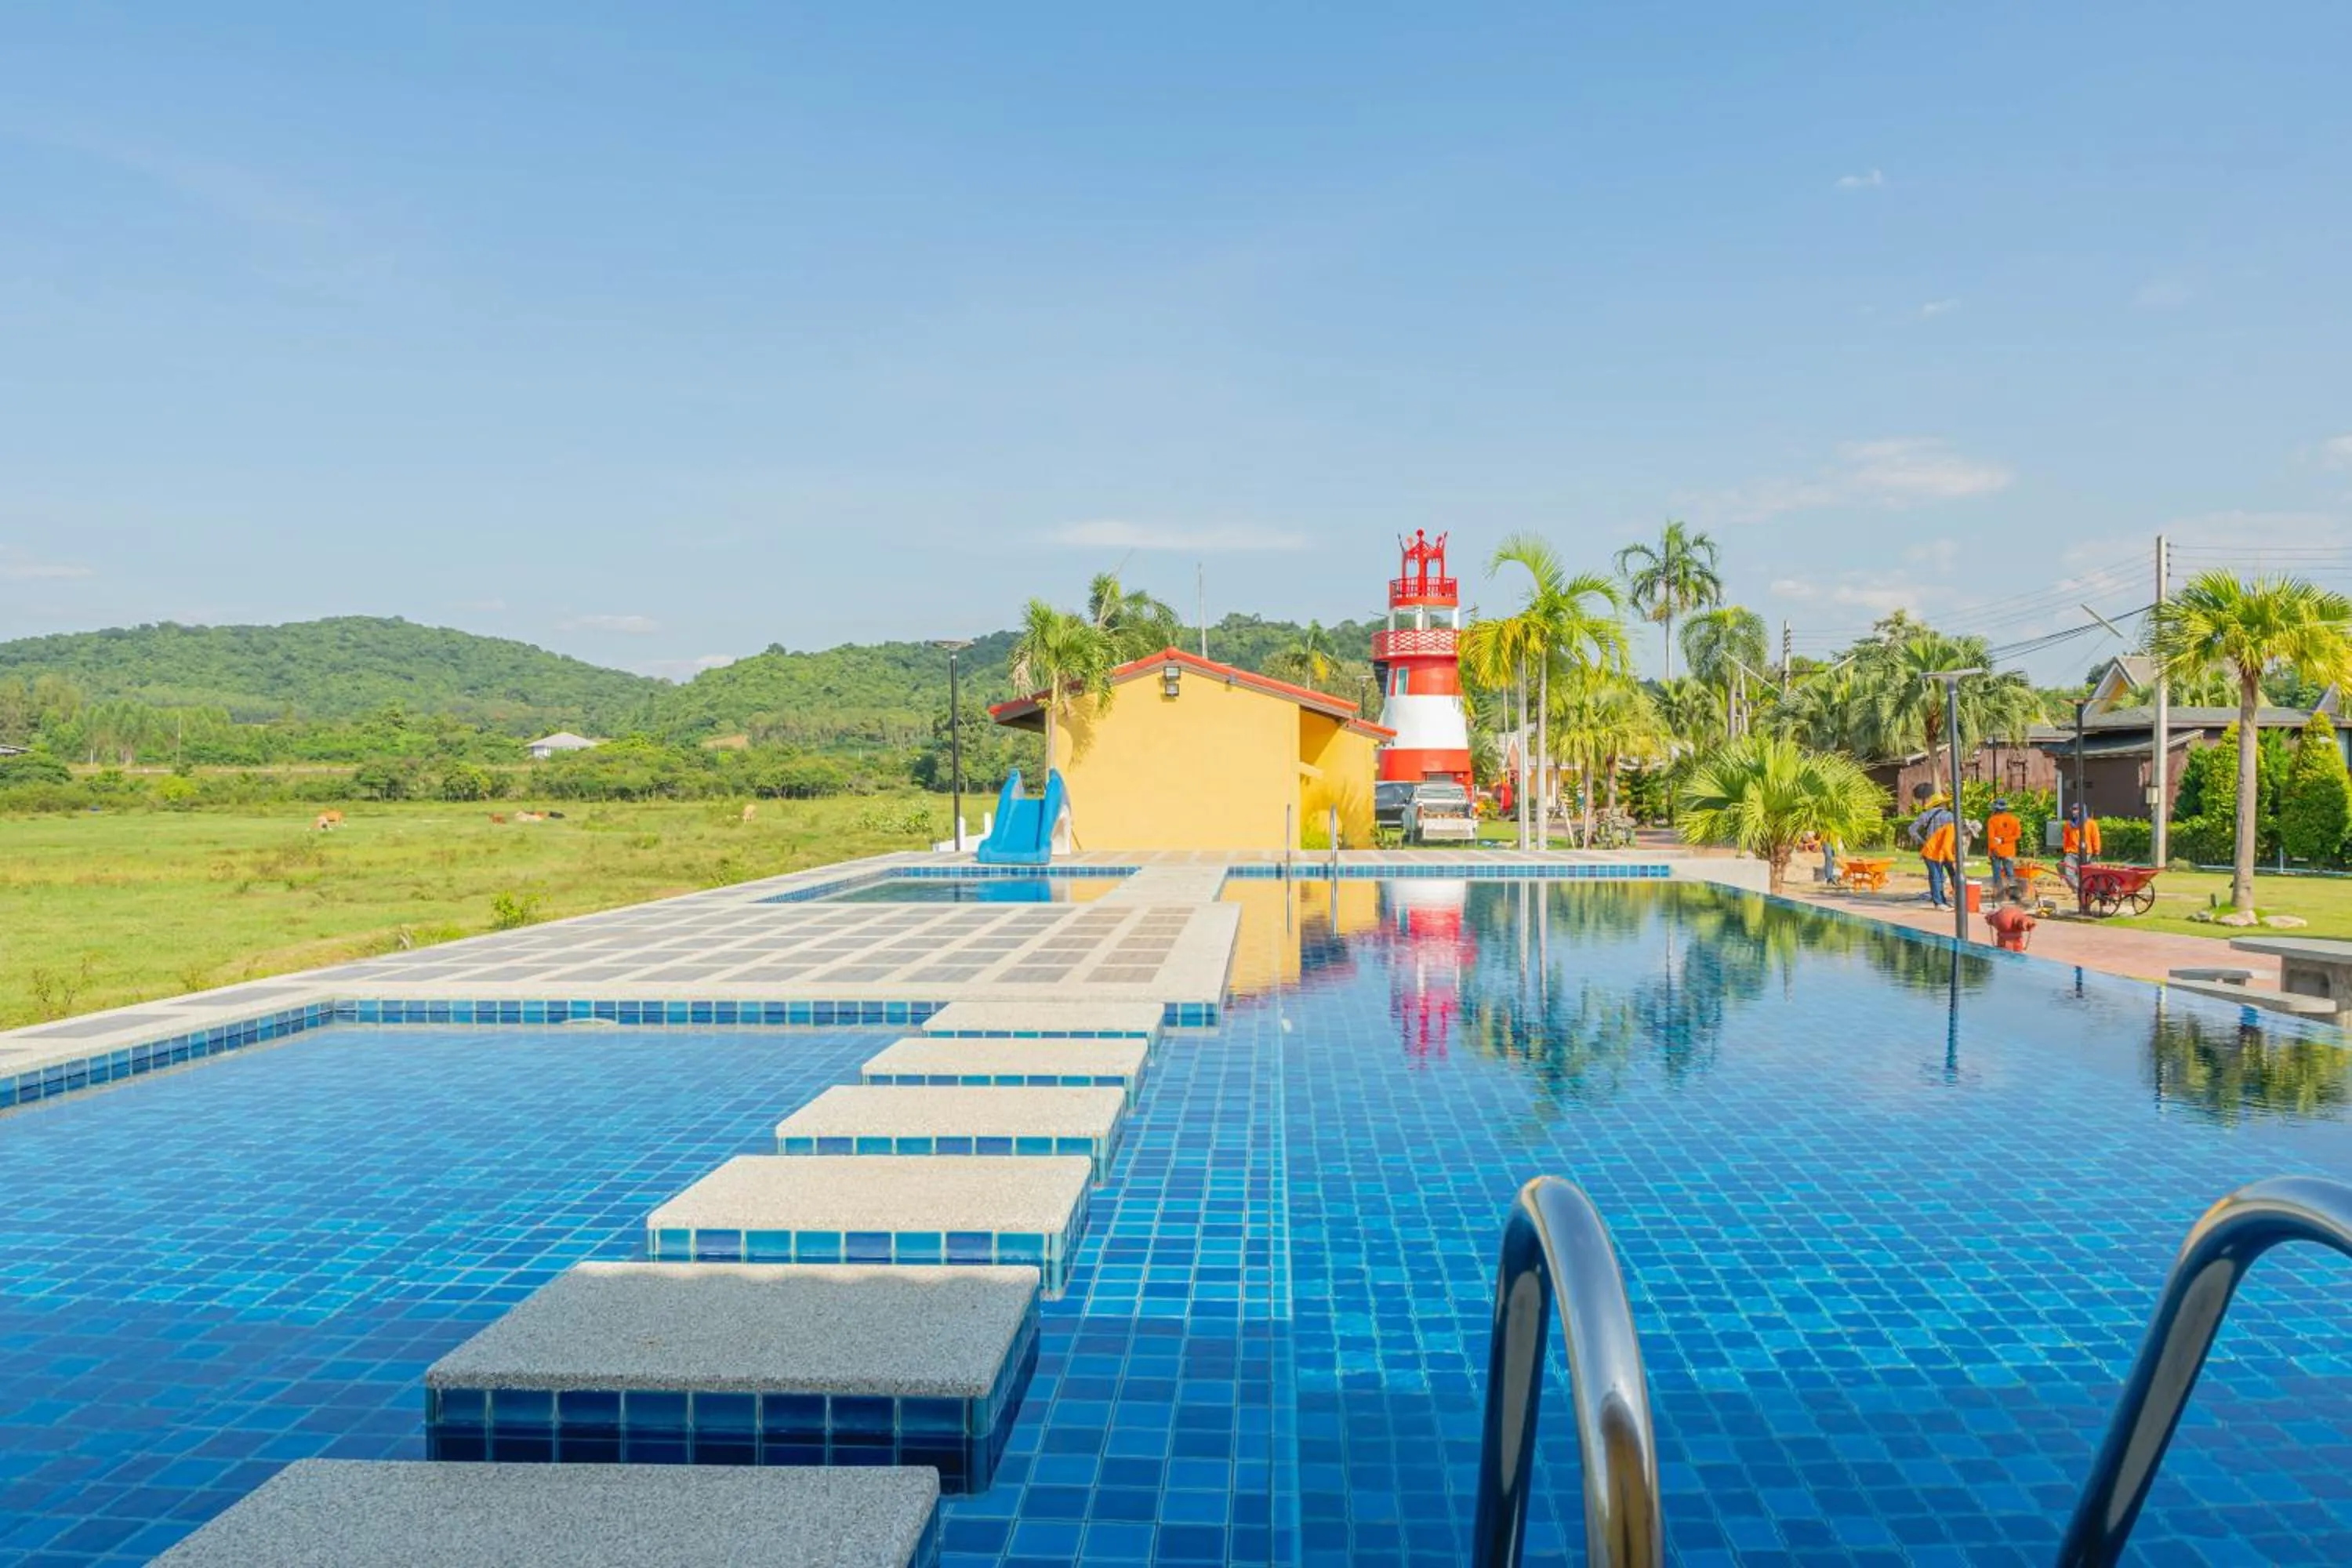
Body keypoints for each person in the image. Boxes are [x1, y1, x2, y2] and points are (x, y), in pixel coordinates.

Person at [1914, 792, 1958, 908]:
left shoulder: (1925, 815)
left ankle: (1939, 902)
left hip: (1932, 849)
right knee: (1953, 874)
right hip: (1943, 850)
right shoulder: (1950, 816)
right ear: (1943, 804)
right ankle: (1957, 899)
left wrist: (1923, 842)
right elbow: (1952, 838)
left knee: (1936, 877)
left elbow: (1911, 830)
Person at [1984, 797, 2023, 898]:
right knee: (2010, 873)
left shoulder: (1992, 820)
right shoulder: (2014, 819)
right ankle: (2014, 894)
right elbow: (2018, 835)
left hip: (1995, 851)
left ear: (1996, 809)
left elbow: (1991, 837)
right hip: (2009, 851)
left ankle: (1999, 894)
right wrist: (2004, 840)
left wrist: (1993, 849)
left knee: (1997, 874)